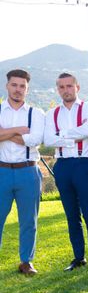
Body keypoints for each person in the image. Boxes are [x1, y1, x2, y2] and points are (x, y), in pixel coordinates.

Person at [44, 72, 88, 271]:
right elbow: (49, 140)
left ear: (77, 87)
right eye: (61, 87)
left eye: (69, 86)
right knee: (71, 214)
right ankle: (79, 257)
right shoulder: (52, 113)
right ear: (57, 89)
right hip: (62, 166)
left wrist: (62, 135)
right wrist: (73, 137)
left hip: (84, 164)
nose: (65, 90)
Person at [0, 69, 44, 275]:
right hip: (2, 171)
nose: (18, 90)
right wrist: (18, 129)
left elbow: (35, 139)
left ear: (27, 89)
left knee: (29, 219)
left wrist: (4, 133)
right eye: (14, 85)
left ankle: (26, 261)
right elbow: (26, 135)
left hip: (28, 171)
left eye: (22, 86)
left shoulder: (36, 113)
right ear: (7, 86)